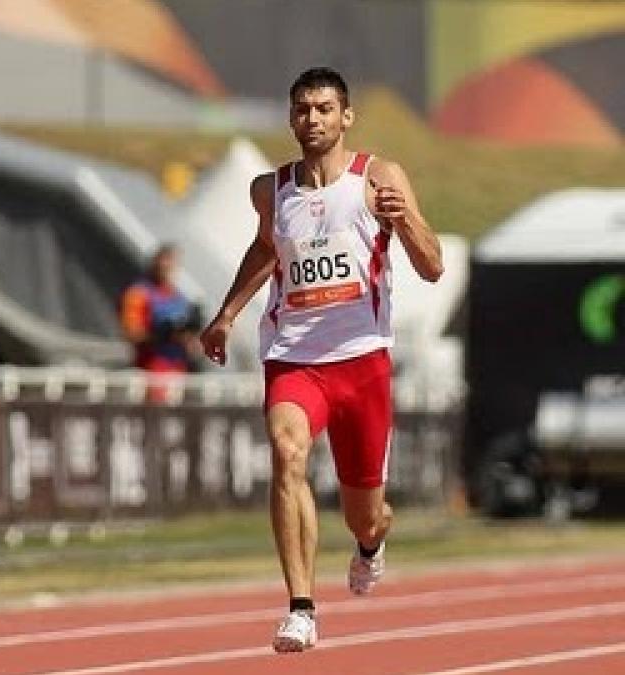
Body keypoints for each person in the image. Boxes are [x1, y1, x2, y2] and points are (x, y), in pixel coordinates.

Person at [199, 67, 443, 653]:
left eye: (324, 109)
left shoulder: (378, 177)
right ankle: (301, 608)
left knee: (366, 513)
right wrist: (228, 313)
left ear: (346, 117)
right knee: (287, 454)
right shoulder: (270, 189)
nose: (313, 119)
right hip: (294, 357)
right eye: (303, 109)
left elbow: (433, 266)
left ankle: (369, 544)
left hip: (362, 362)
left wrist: (402, 217)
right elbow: (266, 249)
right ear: (290, 118)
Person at [119, 244, 201, 402]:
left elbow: (192, 341)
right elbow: (131, 333)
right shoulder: (139, 294)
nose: (167, 268)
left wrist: (191, 338)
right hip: (150, 371)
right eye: (164, 262)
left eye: (171, 263)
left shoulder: (179, 298)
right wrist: (162, 334)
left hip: (178, 371)